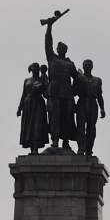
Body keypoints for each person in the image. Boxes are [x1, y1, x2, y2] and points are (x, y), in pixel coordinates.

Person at [42, 10, 79, 150]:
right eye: (59, 47)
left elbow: (77, 77)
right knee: (54, 118)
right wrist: (49, 26)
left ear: (66, 50)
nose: (60, 49)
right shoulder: (52, 58)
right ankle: (55, 140)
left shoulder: (70, 63)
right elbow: (47, 42)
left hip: (67, 94)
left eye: (63, 47)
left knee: (67, 119)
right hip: (54, 92)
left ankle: (65, 141)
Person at [74, 59, 105, 156]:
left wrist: (102, 108)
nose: (87, 66)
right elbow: (74, 92)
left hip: (93, 103)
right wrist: (78, 79)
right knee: (80, 128)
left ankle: (89, 149)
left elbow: (99, 95)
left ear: (92, 67)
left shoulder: (97, 80)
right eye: (85, 65)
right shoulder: (79, 78)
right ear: (83, 66)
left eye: (89, 65)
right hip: (82, 102)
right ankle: (81, 148)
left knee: (91, 128)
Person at [17, 62, 49, 154]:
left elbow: (45, 90)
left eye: (36, 67)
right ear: (30, 68)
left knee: (37, 124)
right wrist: (20, 108)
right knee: (28, 125)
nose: (35, 68)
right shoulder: (27, 80)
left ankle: (36, 145)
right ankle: (31, 147)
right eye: (33, 66)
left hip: (38, 103)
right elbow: (23, 94)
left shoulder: (42, 78)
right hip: (28, 104)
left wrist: (43, 81)